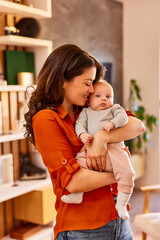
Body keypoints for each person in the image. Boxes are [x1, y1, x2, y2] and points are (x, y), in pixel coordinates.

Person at [24, 44, 144, 240]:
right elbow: (73, 182)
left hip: (119, 220)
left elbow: (137, 126)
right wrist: (123, 173)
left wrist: (103, 138)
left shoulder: (88, 108)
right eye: (87, 83)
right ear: (63, 81)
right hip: (83, 229)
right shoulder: (46, 120)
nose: (91, 90)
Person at [61, 80, 135, 221]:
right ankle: (78, 195)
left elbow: (124, 118)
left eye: (108, 96)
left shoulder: (114, 109)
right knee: (79, 162)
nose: (104, 99)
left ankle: (122, 203)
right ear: (88, 101)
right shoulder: (86, 112)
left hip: (114, 148)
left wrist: (113, 123)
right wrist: (83, 135)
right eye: (98, 96)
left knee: (127, 172)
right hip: (90, 149)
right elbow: (79, 125)